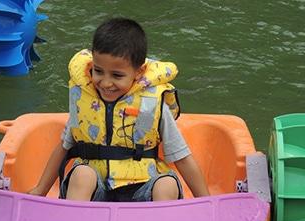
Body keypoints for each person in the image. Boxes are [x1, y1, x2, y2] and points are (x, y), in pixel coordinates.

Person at [30, 18, 209, 202]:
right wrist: (40, 190)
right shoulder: (84, 98)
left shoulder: (152, 101)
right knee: (82, 174)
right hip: (96, 190)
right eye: (98, 71)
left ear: (138, 73)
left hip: (142, 187)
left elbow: (182, 157)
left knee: (167, 184)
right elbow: (64, 147)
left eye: (117, 75)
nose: (105, 83)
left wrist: (206, 202)